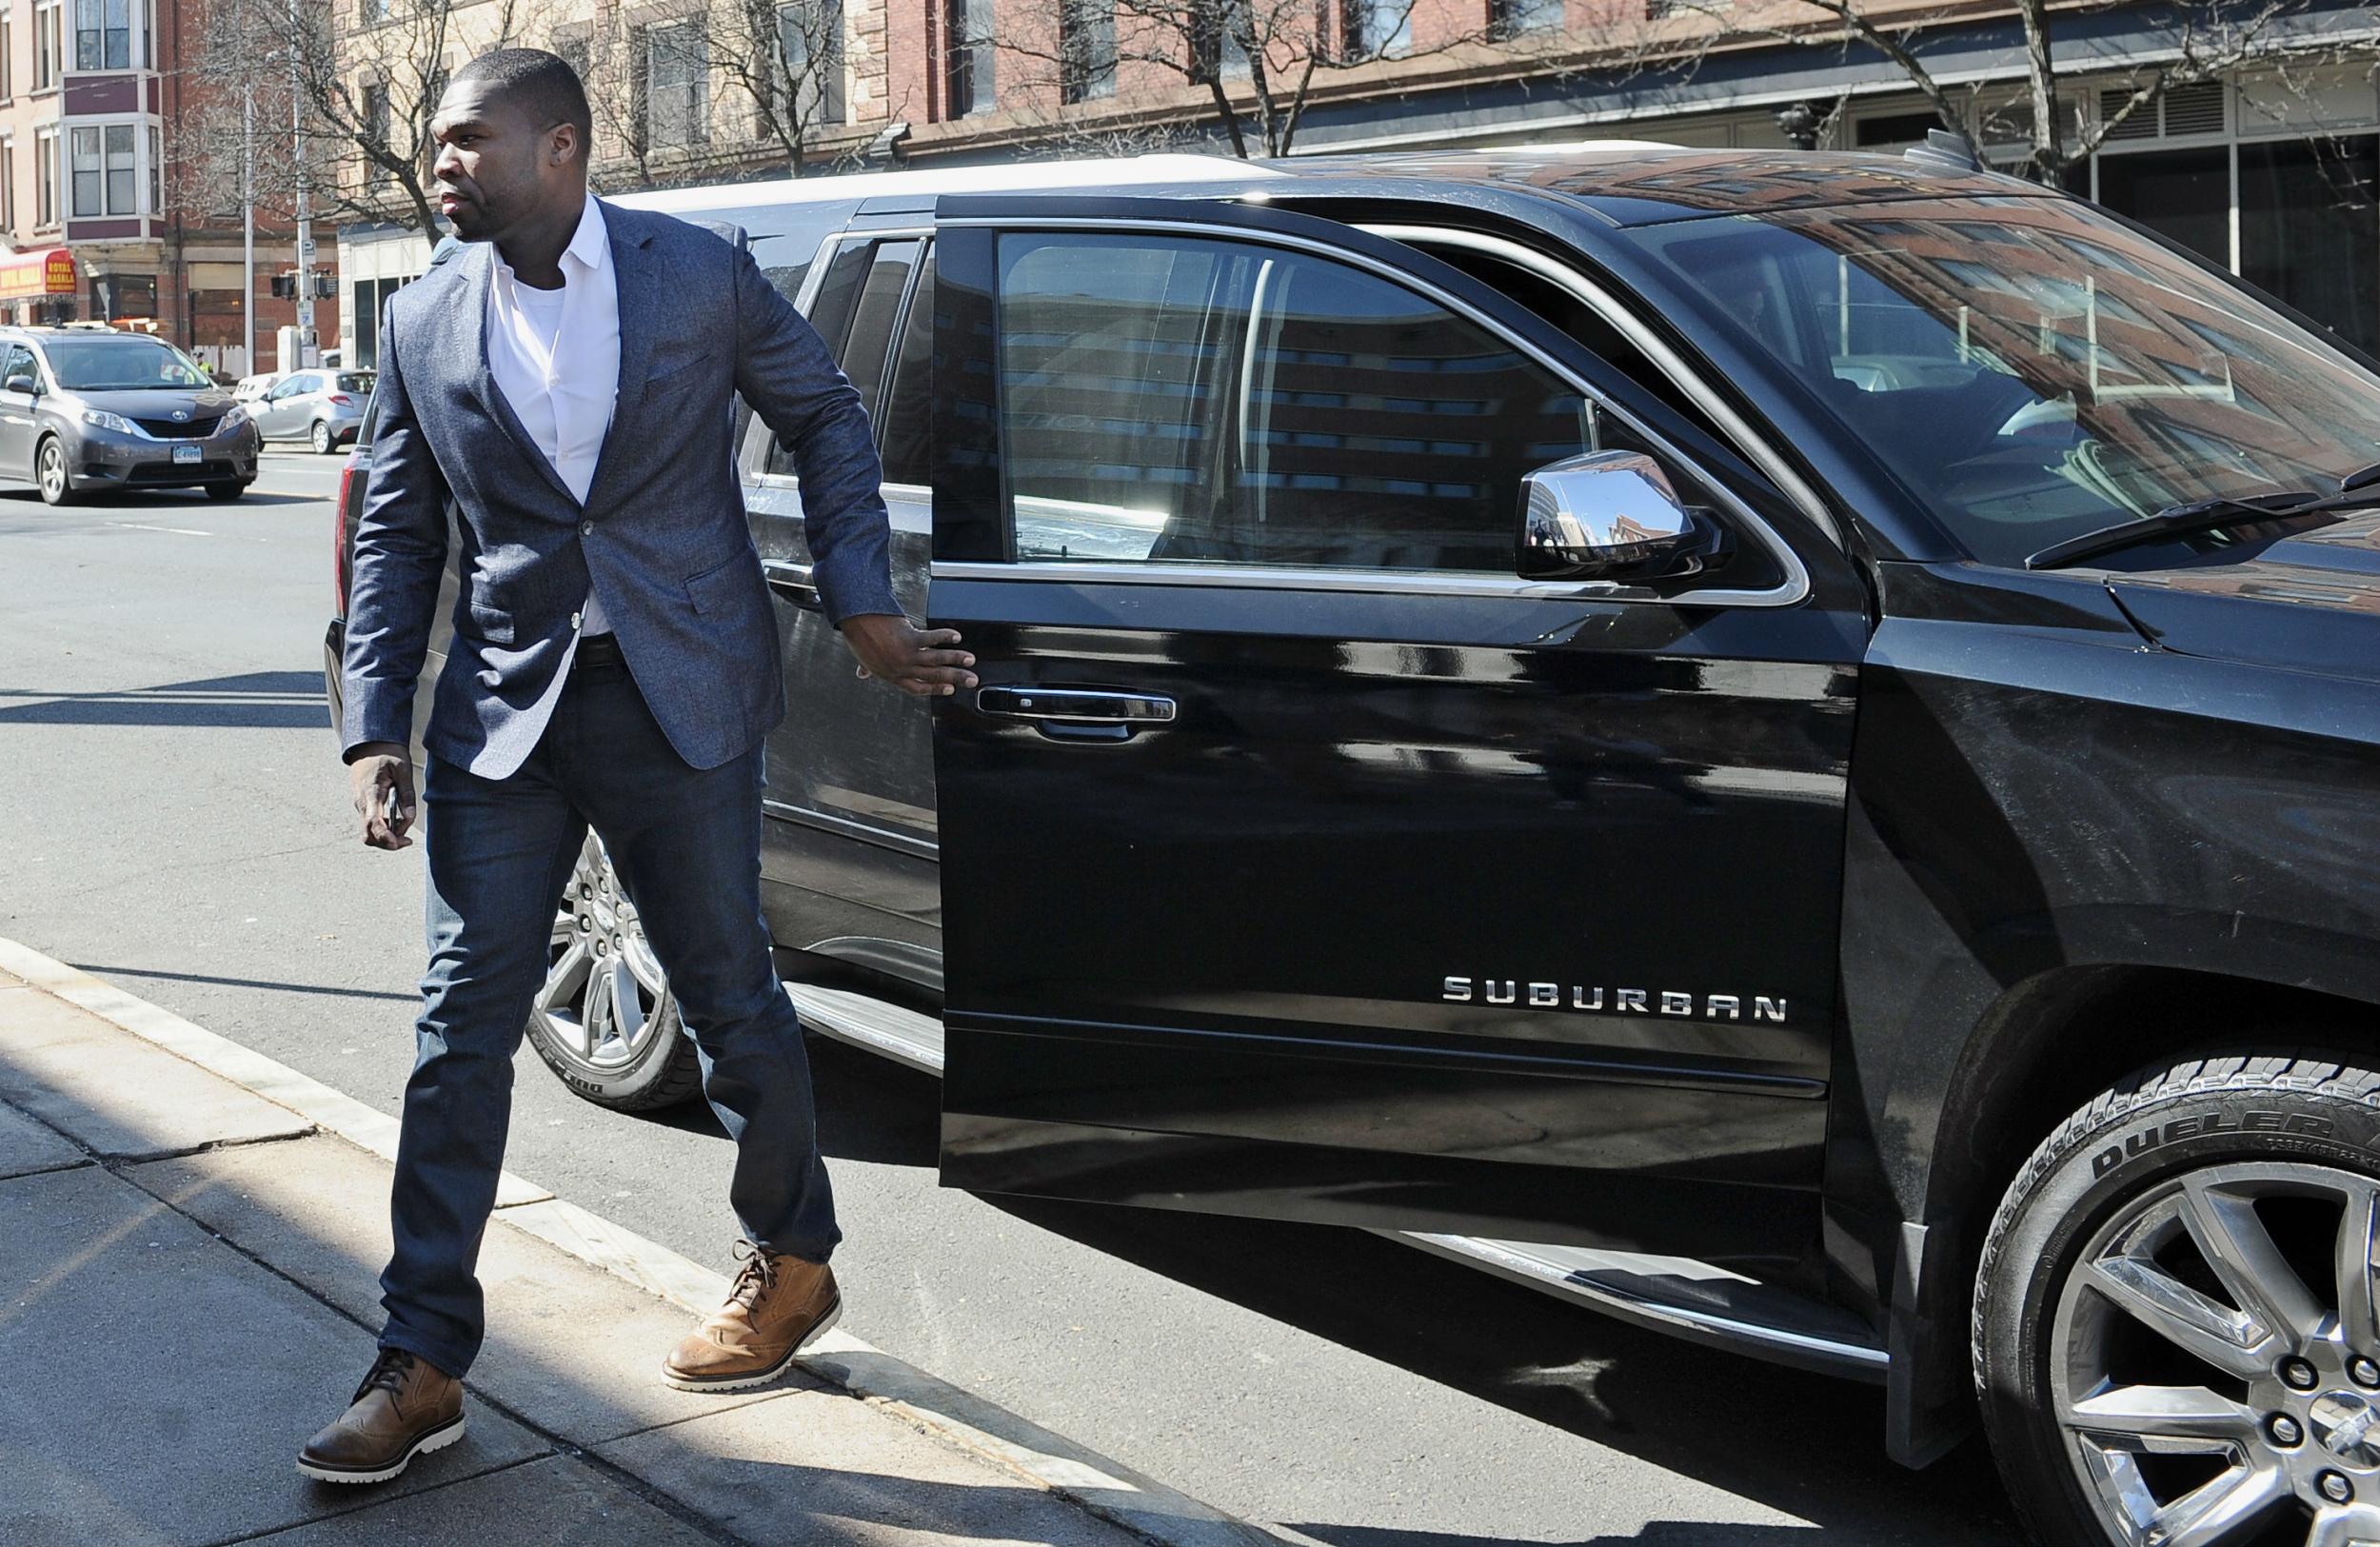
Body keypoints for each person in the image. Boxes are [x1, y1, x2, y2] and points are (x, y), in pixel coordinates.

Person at [305, 47, 977, 1484]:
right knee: (458, 1024)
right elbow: (396, 533)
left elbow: (830, 414)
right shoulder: (423, 315)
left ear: (560, 149)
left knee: (730, 989)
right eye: (436, 142)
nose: (439, 163)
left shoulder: (697, 273)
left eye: (467, 139)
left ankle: (793, 1260)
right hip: (501, 713)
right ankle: (421, 1355)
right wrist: (375, 723)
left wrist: (860, 599)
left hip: (679, 692)